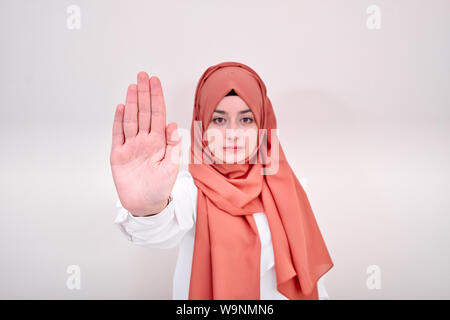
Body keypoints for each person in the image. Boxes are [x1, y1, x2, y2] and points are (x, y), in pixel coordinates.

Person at [110, 61, 334, 300]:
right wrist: (149, 208)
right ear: (202, 125)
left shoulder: (288, 187)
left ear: (263, 125)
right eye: (219, 120)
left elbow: (309, 280)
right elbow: (158, 231)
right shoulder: (191, 190)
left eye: (246, 120)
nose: (233, 132)